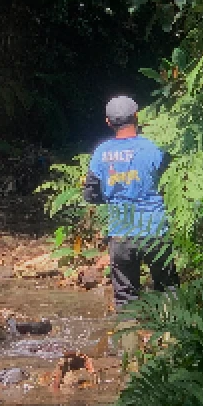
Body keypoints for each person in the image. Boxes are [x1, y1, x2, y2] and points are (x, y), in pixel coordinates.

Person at [83, 95, 178, 310]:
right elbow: (172, 180)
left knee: (126, 299)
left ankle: (129, 342)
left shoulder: (101, 153)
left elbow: (90, 195)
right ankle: (173, 340)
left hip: (121, 234)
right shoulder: (154, 148)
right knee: (168, 289)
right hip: (155, 231)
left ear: (108, 122)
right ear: (137, 117)